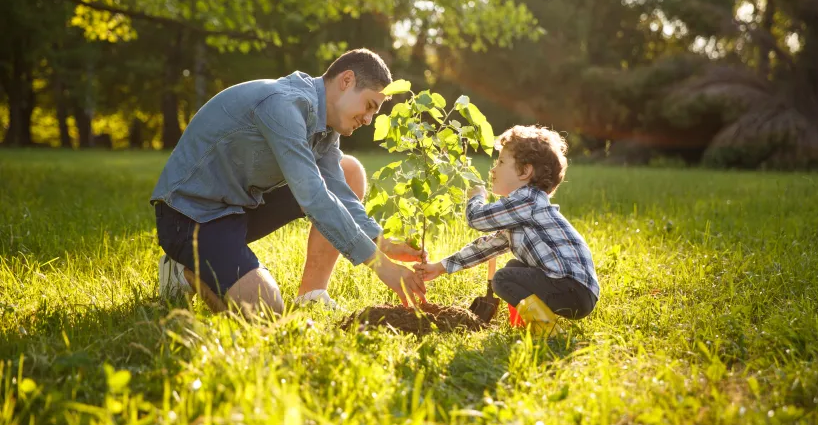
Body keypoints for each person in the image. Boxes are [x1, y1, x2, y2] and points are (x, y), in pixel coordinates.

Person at [150, 48, 427, 315]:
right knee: (266, 311)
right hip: (190, 217)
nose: (368, 119)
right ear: (347, 80)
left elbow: (339, 191)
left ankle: (312, 295)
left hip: (238, 208)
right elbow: (314, 196)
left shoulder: (326, 127)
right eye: (369, 106)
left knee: (349, 171)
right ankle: (183, 273)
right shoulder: (283, 104)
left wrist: (382, 242)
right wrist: (381, 266)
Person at [414, 125, 600, 335]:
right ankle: (527, 325)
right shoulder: (523, 211)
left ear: (525, 171)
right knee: (514, 267)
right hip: (576, 290)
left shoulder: (527, 199)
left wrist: (477, 197)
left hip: (571, 288)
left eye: (501, 162)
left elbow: (477, 219)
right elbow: (486, 247)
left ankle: (548, 331)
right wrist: (440, 267)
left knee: (503, 279)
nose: (493, 170)